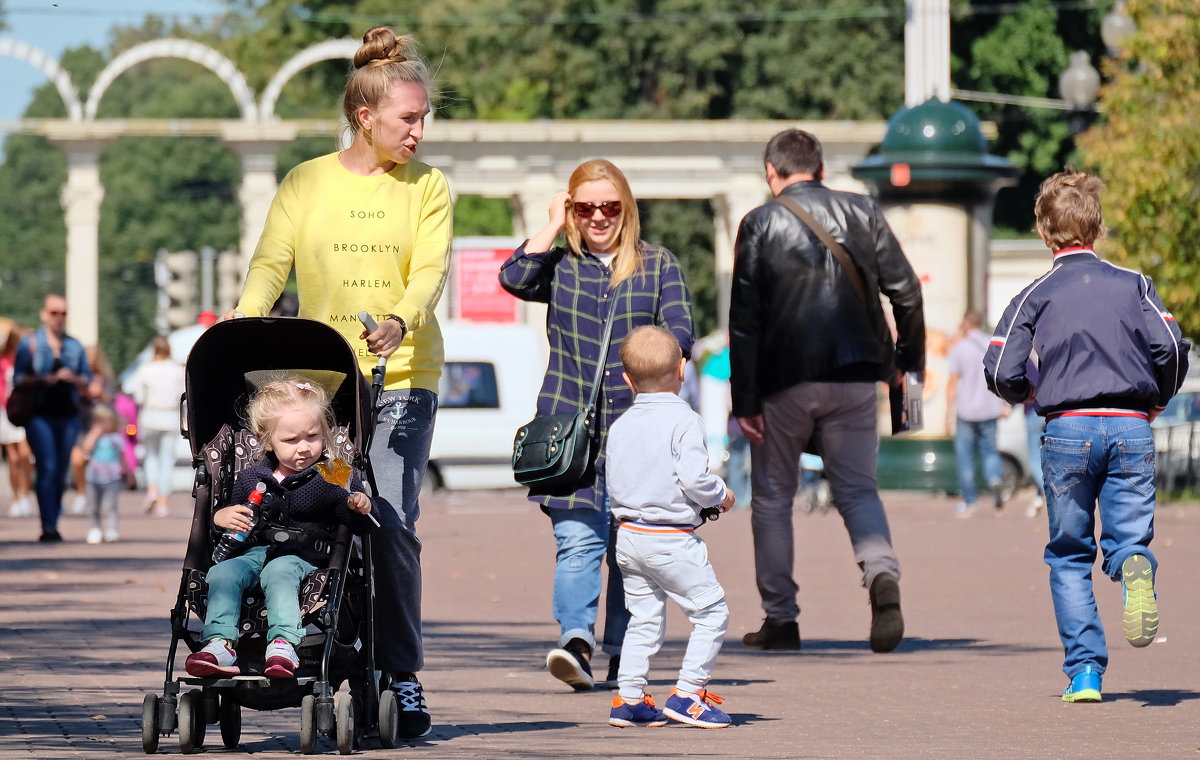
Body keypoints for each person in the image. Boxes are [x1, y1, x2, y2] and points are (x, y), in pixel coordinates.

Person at [226, 26, 450, 738]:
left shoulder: (429, 187)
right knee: (321, 512)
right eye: (407, 118)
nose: (419, 131)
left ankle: (402, 673)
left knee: (388, 516)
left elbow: (429, 273)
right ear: (366, 117)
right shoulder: (306, 182)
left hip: (403, 378)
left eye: (422, 117)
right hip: (323, 391)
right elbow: (270, 265)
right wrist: (241, 326)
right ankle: (327, 648)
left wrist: (400, 320)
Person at [983, 169, 1189, 703]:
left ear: (1043, 231)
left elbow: (1001, 365)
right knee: (1127, 537)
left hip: (1068, 428)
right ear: (1097, 227)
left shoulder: (1036, 293)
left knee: (1069, 553)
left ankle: (1086, 674)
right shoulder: (1134, 283)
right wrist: (1158, 396)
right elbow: (1171, 343)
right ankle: (1135, 564)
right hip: (1130, 425)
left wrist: (1026, 392)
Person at [499, 158, 694, 690]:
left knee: (631, 550)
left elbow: (681, 333)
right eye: (585, 208)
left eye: (610, 206)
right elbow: (513, 275)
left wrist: (655, 365)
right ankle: (576, 642)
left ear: (625, 208)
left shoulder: (657, 265)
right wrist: (554, 224)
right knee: (579, 542)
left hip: (639, 430)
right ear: (571, 210)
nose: (599, 217)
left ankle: (624, 653)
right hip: (570, 431)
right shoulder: (560, 265)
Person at [728, 129, 924, 653]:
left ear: (772, 172)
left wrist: (743, 401)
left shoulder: (760, 222)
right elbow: (906, 291)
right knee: (858, 490)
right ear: (820, 168)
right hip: (856, 375)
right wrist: (908, 364)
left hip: (782, 382)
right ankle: (881, 574)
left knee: (772, 498)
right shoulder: (863, 211)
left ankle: (782, 619)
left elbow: (745, 321)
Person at [185, 379, 379, 678]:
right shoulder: (252, 477)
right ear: (268, 440)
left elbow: (361, 523)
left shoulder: (334, 472)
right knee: (221, 572)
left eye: (313, 436)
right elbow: (231, 526)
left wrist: (361, 505)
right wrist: (221, 517)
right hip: (253, 551)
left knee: (279, 571)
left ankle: (283, 643)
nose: (304, 447)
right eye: (291, 441)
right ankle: (219, 642)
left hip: (303, 555)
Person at [605, 326, 735, 729]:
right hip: (671, 538)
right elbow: (696, 480)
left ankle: (628, 699)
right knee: (711, 614)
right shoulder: (685, 420)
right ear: (682, 370)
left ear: (627, 379)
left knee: (643, 617)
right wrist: (721, 495)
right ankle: (689, 693)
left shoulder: (621, 425)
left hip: (628, 535)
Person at [12, 295, 93, 542]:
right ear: (44, 314)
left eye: (63, 313)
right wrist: (40, 379)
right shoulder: (29, 344)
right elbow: (17, 379)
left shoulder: (75, 346)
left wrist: (73, 378)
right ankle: (48, 525)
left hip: (68, 414)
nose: (59, 318)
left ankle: (53, 518)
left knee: (60, 470)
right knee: (47, 466)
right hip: (39, 415)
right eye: (54, 312)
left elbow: (87, 380)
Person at [945, 309, 1009, 518]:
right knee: (990, 451)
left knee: (966, 456)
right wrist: (1005, 405)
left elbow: (953, 383)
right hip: (990, 408)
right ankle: (995, 480)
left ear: (965, 324)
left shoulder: (960, 348)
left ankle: (969, 501)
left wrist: (947, 413)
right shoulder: (992, 345)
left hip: (966, 410)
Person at [127, 335, 186, 516]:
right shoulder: (176, 369)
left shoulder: (146, 369)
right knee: (167, 460)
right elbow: (182, 395)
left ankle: (152, 490)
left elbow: (138, 396)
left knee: (151, 456)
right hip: (170, 416)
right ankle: (163, 502)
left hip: (150, 415)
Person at [79, 404, 132, 544]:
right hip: (93, 477)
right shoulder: (94, 437)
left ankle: (111, 529)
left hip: (112, 477)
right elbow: (86, 448)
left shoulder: (116, 438)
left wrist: (129, 474)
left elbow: (122, 457)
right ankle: (95, 528)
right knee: (93, 506)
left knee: (111, 505)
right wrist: (94, 433)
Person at [1, 320, 35, 518]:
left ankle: (25, 491)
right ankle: (16, 497)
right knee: (12, 458)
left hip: (24, 411)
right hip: (7, 412)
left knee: (26, 454)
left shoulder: (28, 361)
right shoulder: (4, 362)